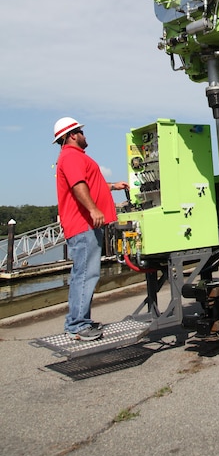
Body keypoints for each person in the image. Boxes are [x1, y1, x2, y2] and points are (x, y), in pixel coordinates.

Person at [53, 117, 128, 341]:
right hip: (83, 224)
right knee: (86, 274)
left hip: (84, 225)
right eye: (82, 132)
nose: (86, 136)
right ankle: (77, 325)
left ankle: (79, 320)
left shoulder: (72, 158)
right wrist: (94, 210)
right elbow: (78, 186)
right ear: (72, 135)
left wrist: (113, 186)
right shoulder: (71, 156)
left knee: (84, 274)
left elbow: (90, 184)